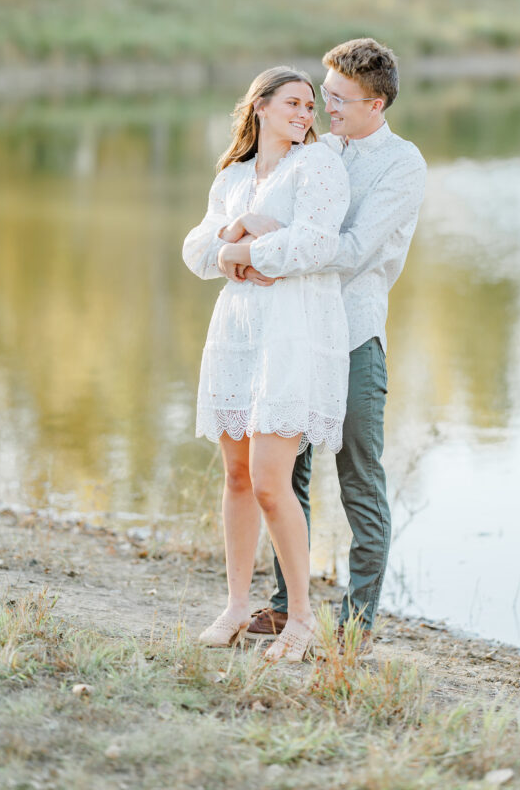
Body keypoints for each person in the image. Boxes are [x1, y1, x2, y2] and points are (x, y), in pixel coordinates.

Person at [239, 39, 427, 654]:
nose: (324, 106)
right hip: (293, 332)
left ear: (376, 103)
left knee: (359, 481)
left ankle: (356, 623)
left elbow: (349, 250)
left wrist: (271, 247)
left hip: (351, 339)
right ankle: (286, 607)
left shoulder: (402, 164)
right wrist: (263, 240)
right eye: (323, 93)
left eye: (339, 98)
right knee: (283, 472)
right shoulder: (313, 148)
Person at [182, 66, 351, 662]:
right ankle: (234, 606)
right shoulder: (231, 175)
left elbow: (316, 243)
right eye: (294, 103)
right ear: (261, 106)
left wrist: (249, 247)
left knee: (273, 483)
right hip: (237, 336)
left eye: (311, 105)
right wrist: (240, 235)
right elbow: (197, 250)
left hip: (291, 335)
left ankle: (300, 619)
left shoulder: (319, 166)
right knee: (235, 477)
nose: (306, 114)